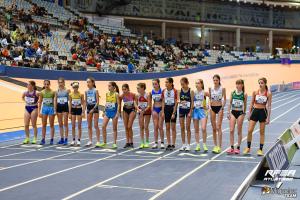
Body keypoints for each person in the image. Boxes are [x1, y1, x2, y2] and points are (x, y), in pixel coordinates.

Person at [244, 77, 272, 156]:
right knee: (249, 130)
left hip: (263, 112)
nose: (260, 84)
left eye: (262, 83)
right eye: (259, 83)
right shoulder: (255, 92)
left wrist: (268, 118)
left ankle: (260, 149)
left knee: (262, 132)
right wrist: (249, 114)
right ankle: (248, 148)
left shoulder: (268, 93)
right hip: (255, 111)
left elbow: (269, 106)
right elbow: (251, 103)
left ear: (265, 83)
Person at [227, 79, 247, 154]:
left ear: (242, 85)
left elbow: (245, 104)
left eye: (239, 84)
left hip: (240, 113)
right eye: (237, 84)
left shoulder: (244, 94)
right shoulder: (233, 92)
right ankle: (232, 147)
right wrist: (228, 113)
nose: (238, 85)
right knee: (231, 130)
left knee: (239, 131)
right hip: (233, 112)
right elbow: (229, 103)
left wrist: (244, 113)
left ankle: (238, 147)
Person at [209, 74, 226, 154]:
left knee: (219, 126)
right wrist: (209, 106)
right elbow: (209, 98)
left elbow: (225, 99)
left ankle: (219, 146)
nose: (215, 81)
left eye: (216, 80)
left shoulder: (222, 89)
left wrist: (222, 107)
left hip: (219, 108)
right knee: (214, 128)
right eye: (214, 80)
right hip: (212, 108)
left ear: (219, 80)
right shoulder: (210, 88)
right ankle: (215, 145)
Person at [161, 77, 178, 151]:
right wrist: (162, 111)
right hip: (166, 109)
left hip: (172, 109)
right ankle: (169, 143)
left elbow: (176, 102)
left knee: (173, 128)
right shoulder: (164, 91)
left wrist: (174, 113)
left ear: (171, 83)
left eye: (167, 82)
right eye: (165, 82)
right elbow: (163, 101)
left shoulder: (175, 91)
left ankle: (173, 144)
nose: (166, 83)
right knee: (167, 127)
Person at [102, 82, 120, 149]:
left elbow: (118, 104)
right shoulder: (107, 94)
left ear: (113, 87)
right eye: (108, 86)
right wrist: (104, 111)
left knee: (114, 128)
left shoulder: (116, 94)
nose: (108, 87)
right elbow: (106, 103)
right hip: (108, 112)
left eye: (109, 86)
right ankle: (104, 142)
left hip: (114, 112)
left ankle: (114, 143)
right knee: (103, 126)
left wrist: (118, 112)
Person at [193, 79, 209, 152]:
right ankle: (197, 145)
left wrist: (208, 106)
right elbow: (192, 101)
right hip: (195, 111)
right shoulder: (193, 92)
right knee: (196, 129)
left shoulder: (205, 92)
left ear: (202, 84)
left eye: (198, 83)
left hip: (203, 111)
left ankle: (204, 144)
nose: (197, 84)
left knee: (203, 128)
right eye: (196, 83)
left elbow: (211, 98)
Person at [39, 80, 56, 145]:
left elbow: (54, 101)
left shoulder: (53, 92)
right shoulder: (42, 92)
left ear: (49, 84)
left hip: (51, 108)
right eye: (45, 84)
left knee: (51, 125)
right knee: (44, 125)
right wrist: (39, 112)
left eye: (47, 84)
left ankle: (51, 139)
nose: (46, 85)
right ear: (44, 84)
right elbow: (40, 102)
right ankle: (43, 139)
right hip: (44, 109)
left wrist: (54, 110)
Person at [179, 77, 194, 151]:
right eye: (181, 84)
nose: (182, 85)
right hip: (181, 110)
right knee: (182, 127)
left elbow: (192, 102)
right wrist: (180, 102)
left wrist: (190, 111)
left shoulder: (191, 91)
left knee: (188, 127)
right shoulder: (180, 91)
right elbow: (179, 100)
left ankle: (188, 144)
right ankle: (183, 144)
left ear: (187, 83)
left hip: (188, 111)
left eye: (183, 84)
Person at [119, 84, 136, 148]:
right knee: (126, 127)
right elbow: (119, 105)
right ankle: (127, 142)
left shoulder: (133, 95)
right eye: (122, 90)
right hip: (125, 110)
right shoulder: (122, 96)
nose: (124, 91)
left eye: (125, 89)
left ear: (128, 89)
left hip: (132, 110)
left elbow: (136, 103)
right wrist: (119, 112)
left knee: (129, 126)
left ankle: (131, 141)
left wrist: (135, 111)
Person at [85, 77, 101, 147]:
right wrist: (83, 110)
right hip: (88, 108)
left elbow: (97, 101)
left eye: (89, 82)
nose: (88, 84)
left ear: (93, 83)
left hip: (95, 108)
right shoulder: (86, 91)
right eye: (87, 82)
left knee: (95, 125)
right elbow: (85, 101)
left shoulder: (96, 90)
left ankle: (98, 141)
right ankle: (90, 140)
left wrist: (93, 109)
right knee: (89, 125)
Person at [69, 82, 85, 146]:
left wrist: (83, 112)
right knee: (73, 125)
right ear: (73, 88)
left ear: (78, 87)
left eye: (76, 87)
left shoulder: (81, 94)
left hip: (79, 109)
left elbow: (83, 103)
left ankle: (78, 140)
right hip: (73, 110)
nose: (75, 88)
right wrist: (69, 113)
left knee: (79, 125)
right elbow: (70, 103)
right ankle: (73, 140)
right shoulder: (70, 94)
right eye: (74, 87)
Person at [55, 77, 70, 145]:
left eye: (61, 82)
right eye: (59, 82)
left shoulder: (67, 91)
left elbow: (70, 101)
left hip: (65, 108)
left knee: (65, 124)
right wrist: (55, 110)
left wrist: (69, 110)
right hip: (59, 108)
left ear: (64, 83)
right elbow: (55, 101)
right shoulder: (56, 91)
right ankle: (62, 138)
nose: (60, 84)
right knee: (60, 124)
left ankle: (66, 139)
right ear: (58, 83)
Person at [136, 83, 152, 149]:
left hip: (147, 111)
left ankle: (147, 142)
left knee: (146, 127)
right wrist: (138, 110)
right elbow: (136, 104)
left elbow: (149, 105)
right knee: (141, 127)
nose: (137, 89)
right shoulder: (137, 95)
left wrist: (144, 110)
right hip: (140, 112)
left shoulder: (147, 95)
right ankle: (142, 142)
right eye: (137, 88)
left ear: (142, 88)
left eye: (138, 88)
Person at [150, 79, 164, 149]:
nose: (154, 85)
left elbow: (164, 101)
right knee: (155, 126)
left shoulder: (162, 91)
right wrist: (152, 110)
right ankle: (155, 142)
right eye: (153, 84)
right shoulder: (152, 92)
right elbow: (151, 102)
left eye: (155, 84)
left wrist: (163, 110)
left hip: (161, 109)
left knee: (160, 126)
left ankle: (162, 142)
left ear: (158, 84)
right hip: (155, 109)